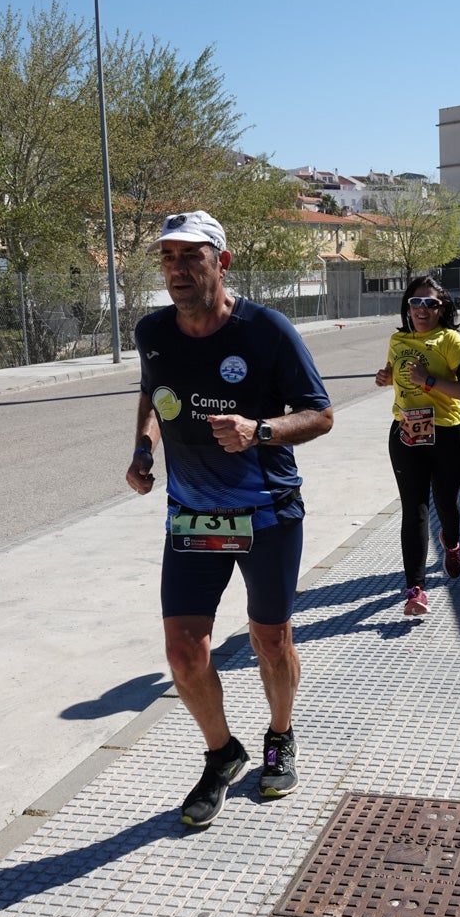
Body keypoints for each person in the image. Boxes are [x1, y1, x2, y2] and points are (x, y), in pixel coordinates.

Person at [126, 210, 333, 827]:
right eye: (167, 257)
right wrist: (143, 447)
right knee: (184, 655)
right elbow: (150, 389)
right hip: (191, 517)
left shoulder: (266, 329)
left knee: (271, 638)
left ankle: (280, 734)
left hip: (266, 513)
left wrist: (260, 430)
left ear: (223, 262)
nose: (177, 270)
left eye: (192, 257)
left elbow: (320, 414)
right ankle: (222, 754)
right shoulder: (152, 330)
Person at [375, 276, 460, 616]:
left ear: (442, 308)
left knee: (446, 503)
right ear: (407, 307)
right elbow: (395, 373)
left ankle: (451, 543)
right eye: (415, 303)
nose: (422, 310)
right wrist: (387, 377)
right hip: (407, 434)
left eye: (430, 304)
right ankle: (415, 589)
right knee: (414, 508)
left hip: (448, 434)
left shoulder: (453, 341)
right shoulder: (397, 339)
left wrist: (429, 381)